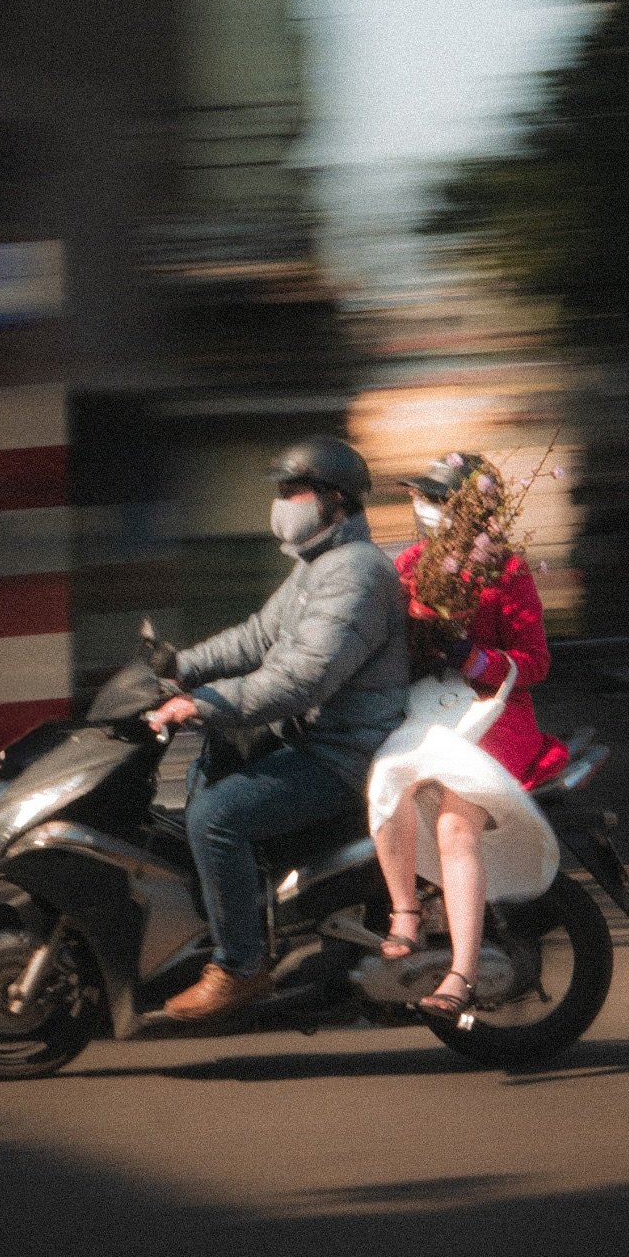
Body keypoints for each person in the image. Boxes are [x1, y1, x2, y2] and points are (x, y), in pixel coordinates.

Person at [145, 437, 409, 1021]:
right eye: (282, 492)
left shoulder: (356, 574)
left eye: (295, 491)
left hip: (343, 754)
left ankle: (240, 967)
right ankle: (245, 923)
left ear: (336, 501)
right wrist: (180, 666)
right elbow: (257, 637)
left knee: (217, 819)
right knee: (204, 776)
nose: (283, 504)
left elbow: (304, 680)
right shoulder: (318, 565)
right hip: (310, 738)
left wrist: (206, 703)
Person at [370, 452, 568, 1019]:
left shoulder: (507, 570)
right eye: (419, 497)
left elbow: (534, 662)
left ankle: (461, 973)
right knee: (385, 782)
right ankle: (405, 912)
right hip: (426, 710)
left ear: (470, 510)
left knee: (456, 824)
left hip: (492, 717)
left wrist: (472, 657)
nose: (423, 508)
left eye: (436, 499)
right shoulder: (408, 564)